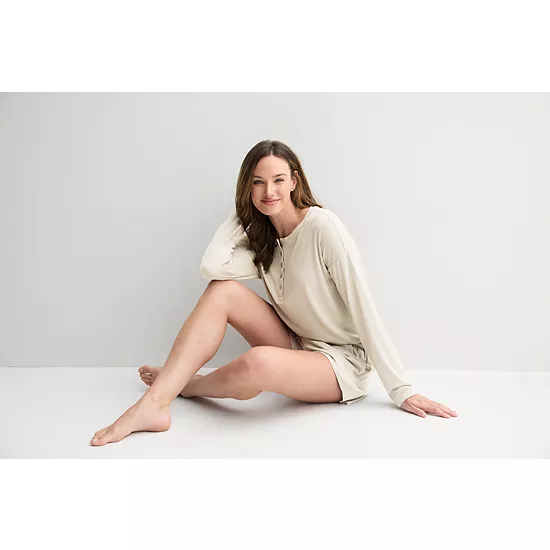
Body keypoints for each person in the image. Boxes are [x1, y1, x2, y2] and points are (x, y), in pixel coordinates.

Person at [91, 139, 457, 446]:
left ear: (294, 181)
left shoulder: (323, 228)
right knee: (222, 291)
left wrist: (401, 389)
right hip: (297, 343)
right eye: (258, 183)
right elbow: (212, 267)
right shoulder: (264, 241)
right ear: (247, 188)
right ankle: (156, 402)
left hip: (341, 364)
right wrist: (243, 214)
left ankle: (186, 386)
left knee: (259, 362)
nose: (269, 192)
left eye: (279, 180)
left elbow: (364, 309)